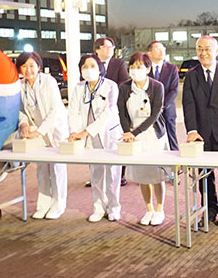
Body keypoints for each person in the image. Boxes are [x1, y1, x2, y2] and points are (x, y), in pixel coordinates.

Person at [182, 36, 218, 227]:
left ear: (216, 51)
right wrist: (192, 130)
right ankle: (209, 209)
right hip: (201, 135)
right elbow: (188, 105)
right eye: (199, 49)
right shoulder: (192, 75)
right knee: (204, 176)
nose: (203, 53)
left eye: (207, 49)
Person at [67, 54, 123, 222]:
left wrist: (86, 132)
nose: (88, 70)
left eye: (92, 66)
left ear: (100, 69)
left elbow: (109, 112)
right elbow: (73, 111)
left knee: (112, 174)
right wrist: (74, 132)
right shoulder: (79, 88)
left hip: (109, 134)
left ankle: (114, 207)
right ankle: (98, 207)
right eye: (84, 67)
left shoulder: (110, 86)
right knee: (96, 174)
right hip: (90, 137)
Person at [16, 51, 69, 220]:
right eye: (24, 66)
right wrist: (24, 124)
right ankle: (43, 204)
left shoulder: (48, 81)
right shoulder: (20, 86)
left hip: (54, 129)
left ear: (38, 66)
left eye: (32, 65)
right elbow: (20, 111)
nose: (28, 70)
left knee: (57, 168)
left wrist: (39, 131)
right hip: (36, 132)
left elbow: (55, 110)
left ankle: (59, 204)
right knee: (42, 169)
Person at [118, 53, 168, 226]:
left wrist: (136, 132)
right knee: (142, 175)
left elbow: (155, 114)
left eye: (139, 67)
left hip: (153, 135)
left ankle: (160, 209)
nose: (135, 70)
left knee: (157, 174)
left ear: (148, 68)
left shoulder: (157, 86)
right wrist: (127, 132)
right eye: (132, 67)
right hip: (133, 137)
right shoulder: (124, 87)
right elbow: (121, 112)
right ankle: (149, 209)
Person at [94, 36, 130, 186]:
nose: (110, 50)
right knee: (96, 142)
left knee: (117, 141)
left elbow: (124, 82)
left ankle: (120, 175)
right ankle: (96, 176)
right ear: (97, 49)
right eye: (106, 47)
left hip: (115, 107)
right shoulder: (92, 63)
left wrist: (110, 94)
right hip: (96, 108)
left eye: (112, 47)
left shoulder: (118, 63)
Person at [147, 41, 179, 151]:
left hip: (167, 109)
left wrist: (161, 105)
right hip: (149, 110)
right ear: (149, 53)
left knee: (171, 137)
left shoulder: (172, 68)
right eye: (157, 48)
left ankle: (174, 158)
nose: (162, 51)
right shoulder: (145, 69)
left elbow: (174, 90)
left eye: (163, 48)